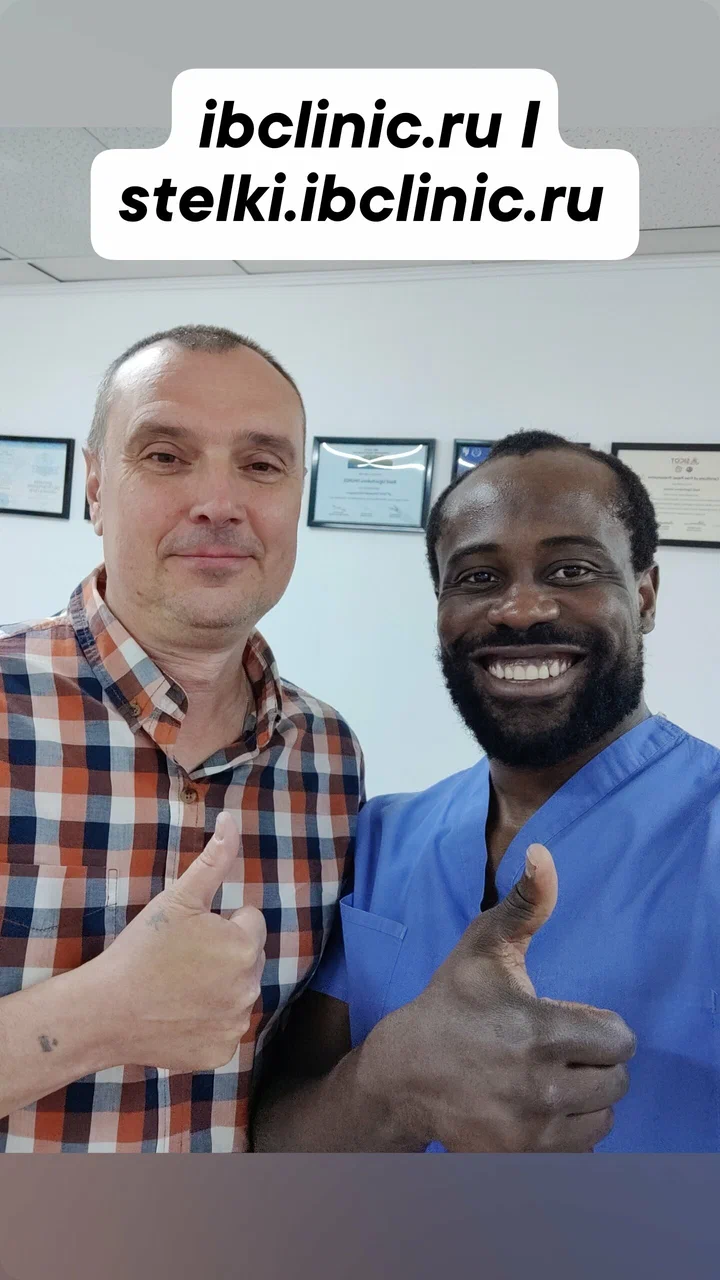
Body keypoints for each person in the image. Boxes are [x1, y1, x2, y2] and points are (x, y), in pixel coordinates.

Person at [253, 430, 719, 1155]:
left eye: (571, 569)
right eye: (477, 577)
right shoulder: (381, 839)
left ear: (645, 594)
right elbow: (276, 1145)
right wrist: (388, 1085)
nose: (521, 608)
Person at [0, 324, 364, 1152]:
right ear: (96, 485)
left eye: (261, 465)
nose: (219, 502)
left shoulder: (329, 759)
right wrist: (100, 1015)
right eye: (166, 456)